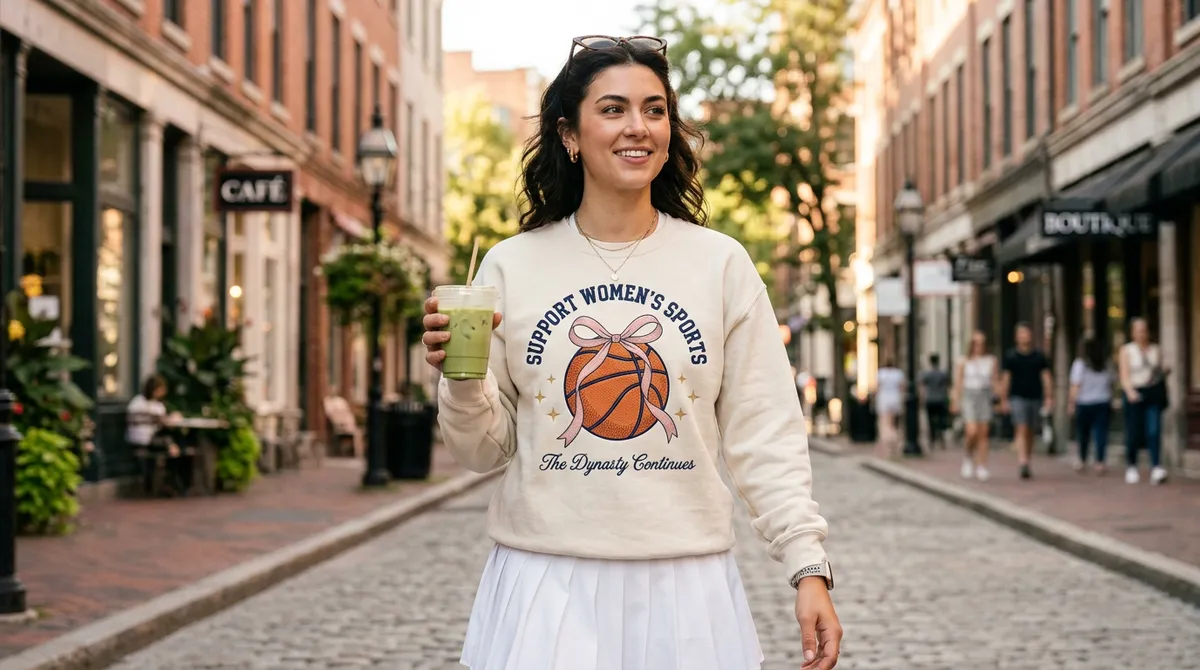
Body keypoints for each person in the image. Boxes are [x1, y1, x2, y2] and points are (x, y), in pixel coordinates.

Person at [422, 35, 841, 670]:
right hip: (545, 582)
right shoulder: (511, 265)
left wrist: (806, 564)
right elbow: (482, 450)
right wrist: (461, 378)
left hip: (686, 584)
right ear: (570, 133)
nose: (637, 127)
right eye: (613, 109)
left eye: (654, 109)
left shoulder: (720, 264)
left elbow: (767, 432)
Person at [1118, 318, 1169, 485]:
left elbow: (1159, 371)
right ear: (1133, 333)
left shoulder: (1155, 350)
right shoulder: (1127, 350)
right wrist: (1130, 392)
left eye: (1144, 330)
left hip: (1152, 392)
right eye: (1139, 330)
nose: (1142, 334)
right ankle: (1131, 466)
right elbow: (1124, 375)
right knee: (1133, 431)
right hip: (1135, 392)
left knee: (1154, 430)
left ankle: (1156, 466)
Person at [1000, 322, 1052, 480]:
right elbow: (1006, 378)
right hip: (1018, 397)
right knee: (1021, 428)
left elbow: (1046, 377)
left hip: (1035, 396)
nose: (1025, 337)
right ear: (1017, 337)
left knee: (1030, 430)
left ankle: (1027, 459)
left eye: (1027, 333)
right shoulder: (1011, 357)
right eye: (1021, 334)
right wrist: (1003, 399)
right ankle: (1022, 461)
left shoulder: (1039, 356)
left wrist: (1049, 397)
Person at [126, 375, 186, 494]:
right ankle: (172, 479)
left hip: (133, 439)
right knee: (178, 442)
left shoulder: (135, 402)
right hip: (148, 440)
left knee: (172, 443)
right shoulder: (156, 407)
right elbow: (164, 423)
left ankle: (168, 478)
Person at [951, 330, 998, 481]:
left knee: (983, 432)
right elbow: (958, 382)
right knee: (972, 431)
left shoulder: (991, 360)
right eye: (976, 343)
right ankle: (968, 456)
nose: (979, 346)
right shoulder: (964, 361)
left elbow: (995, 381)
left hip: (984, 395)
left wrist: (1001, 398)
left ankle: (982, 465)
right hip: (969, 395)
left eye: (982, 343)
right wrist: (955, 400)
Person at [1068, 336, 1114, 475]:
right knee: (1101, 433)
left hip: (1084, 402)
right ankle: (1100, 461)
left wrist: (1071, 403)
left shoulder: (1080, 364)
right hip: (1102, 401)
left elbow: (1075, 385)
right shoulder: (1106, 364)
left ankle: (1082, 459)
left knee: (1083, 433)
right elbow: (1111, 381)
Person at [875, 354, 906, 457]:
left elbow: (878, 387)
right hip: (895, 398)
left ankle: (890, 440)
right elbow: (902, 386)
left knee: (885, 422)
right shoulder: (898, 373)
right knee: (894, 422)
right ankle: (895, 438)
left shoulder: (881, 373)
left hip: (884, 398)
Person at [920, 353, 951, 449]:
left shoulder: (927, 374)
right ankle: (941, 440)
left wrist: (922, 398)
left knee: (931, 421)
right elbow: (947, 386)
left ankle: (932, 440)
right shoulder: (942, 373)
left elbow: (922, 386)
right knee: (941, 420)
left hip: (930, 399)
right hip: (940, 399)